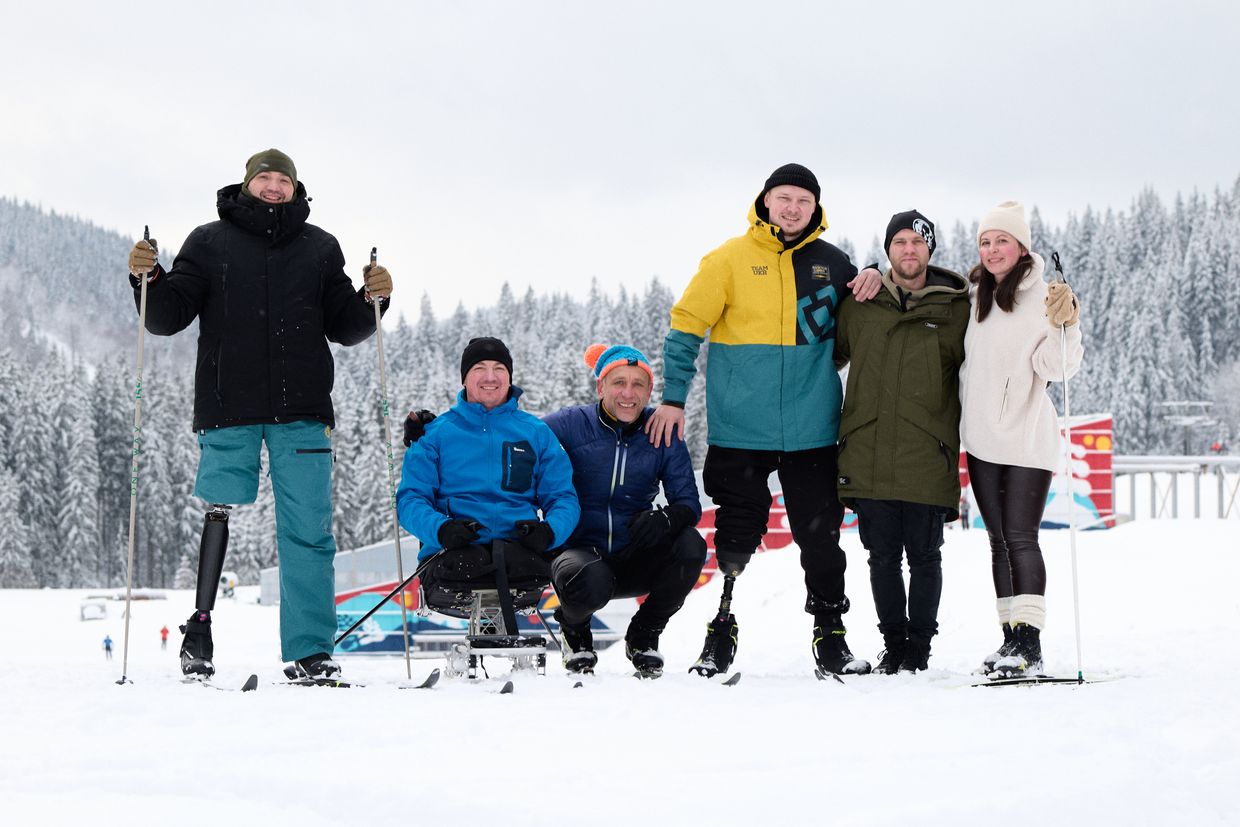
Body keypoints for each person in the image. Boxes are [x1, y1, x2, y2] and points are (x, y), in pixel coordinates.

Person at [126, 148, 392, 680]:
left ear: (296, 188)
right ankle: (198, 631)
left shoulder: (321, 248)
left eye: (282, 180)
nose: (273, 187)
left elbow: (346, 325)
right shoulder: (209, 241)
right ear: (247, 184)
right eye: (264, 178)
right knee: (217, 511)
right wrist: (148, 279)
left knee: (309, 534)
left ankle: (310, 651)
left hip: (304, 411)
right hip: (230, 407)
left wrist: (370, 299)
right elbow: (166, 317)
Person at [645, 163, 882, 676]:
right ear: (766, 201)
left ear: (815, 208)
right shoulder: (728, 259)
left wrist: (872, 273)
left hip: (812, 429)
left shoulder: (831, 263)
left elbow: (860, 318)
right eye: (784, 197)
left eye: (803, 200)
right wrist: (673, 398)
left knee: (821, 539)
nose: (793, 207)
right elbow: (686, 328)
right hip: (740, 429)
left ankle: (831, 634)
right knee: (734, 534)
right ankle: (720, 631)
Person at [834, 210, 970, 674]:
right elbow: (823, 358)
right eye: (899, 242)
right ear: (888, 249)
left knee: (926, 557)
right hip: (869, 451)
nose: (908, 250)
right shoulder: (860, 303)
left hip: (927, 455)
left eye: (918, 242)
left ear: (930, 250)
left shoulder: (957, 309)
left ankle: (920, 649)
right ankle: (894, 645)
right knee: (882, 559)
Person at [959, 201, 1083, 678]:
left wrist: (1064, 323)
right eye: (985, 242)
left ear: (1021, 246)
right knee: (996, 542)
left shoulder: (1043, 296)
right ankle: (1010, 637)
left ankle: (1030, 643)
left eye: (1001, 241)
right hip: (982, 437)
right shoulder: (975, 297)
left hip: (1027, 436)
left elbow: (1057, 368)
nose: (992, 251)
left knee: (1020, 537)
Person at [542, 344, 706, 677]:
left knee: (692, 545)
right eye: (618, 382)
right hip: (580, 557)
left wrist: (666, 518)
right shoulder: (569, 423)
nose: (628, 393)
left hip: (635, 556)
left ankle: (644, 634)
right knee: (590, 577)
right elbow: (512, 441)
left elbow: (688, 503)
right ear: (600, 386)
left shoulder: (661, 430)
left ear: (649, 391)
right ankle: (575, 633)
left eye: (638, 384)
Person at [395, 337, 580, 625]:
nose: (490, 377)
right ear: (465, 378)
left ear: (509, 377)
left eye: (499, 368)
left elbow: (563, 497)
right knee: (466, 564)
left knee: (523, 564)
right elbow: (410, 500)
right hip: (451, 555)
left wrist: (550, 532)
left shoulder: (536, 432)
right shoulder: (435, 434)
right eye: (479, 368)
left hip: (518, 554)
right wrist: (441, 529)